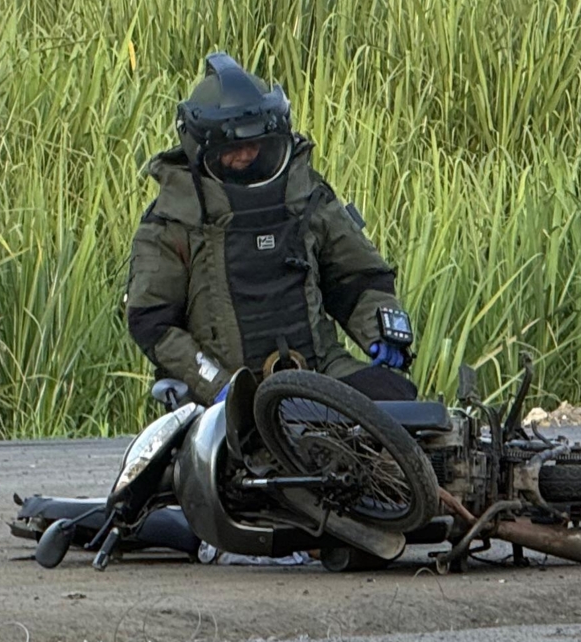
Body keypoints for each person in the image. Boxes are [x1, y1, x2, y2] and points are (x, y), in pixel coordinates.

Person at [124, 52, 418, 408]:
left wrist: (380, 332)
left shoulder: (306, 195)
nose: (246, 155)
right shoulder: (174, 218)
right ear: (202, 147)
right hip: (228, 385)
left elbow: (358, 277)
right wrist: (215, 386)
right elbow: (152, 321)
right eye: (233, 147)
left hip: (321, 370)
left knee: (399, 401)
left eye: (256, 144)